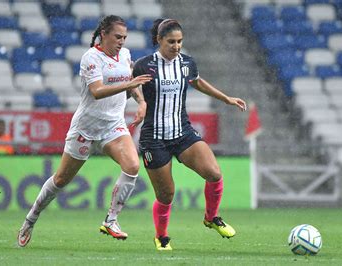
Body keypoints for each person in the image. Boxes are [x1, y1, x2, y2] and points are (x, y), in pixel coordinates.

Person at [17, 15, 152, 247]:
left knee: (132, 166)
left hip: (113, 127)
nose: (121, 41)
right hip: (86, 129)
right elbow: (97, 91)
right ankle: (31, 218)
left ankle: (111, 220)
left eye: (124, 37)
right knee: (61, 179)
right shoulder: (91, 57)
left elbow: (131, 79)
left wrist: (140, 101)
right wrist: (130, 86)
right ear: (104, 35)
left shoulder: (126, 55)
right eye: (117, 37)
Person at [132, 18, 247, 251]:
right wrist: (141, 101)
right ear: (159, 40)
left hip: (182, 132)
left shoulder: (186, 63)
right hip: (154, 138)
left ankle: (211, 217)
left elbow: (197, 81)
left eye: (180, 42)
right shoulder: (144, 65)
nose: (176, 46)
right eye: (171, 42)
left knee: (214, 173)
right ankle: (162, 237)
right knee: (166, 194)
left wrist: (226, 98)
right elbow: (131, 84)